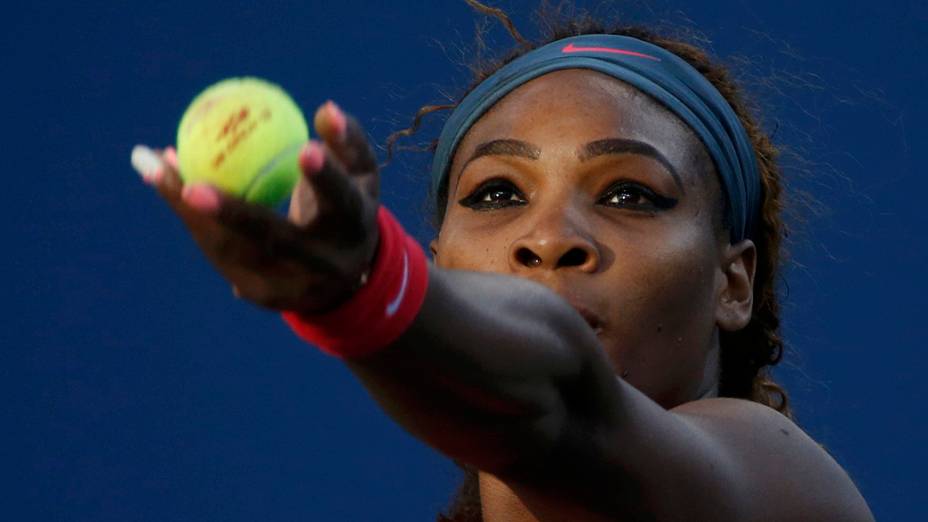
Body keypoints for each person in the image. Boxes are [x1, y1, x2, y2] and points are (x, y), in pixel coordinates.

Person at [131, 2, 874, 520]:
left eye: (627, 194)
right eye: (495, 195)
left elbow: (559, 406)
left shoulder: (787, 490)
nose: (549, 237)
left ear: (731, 282)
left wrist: (366, 292)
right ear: (443, 263)